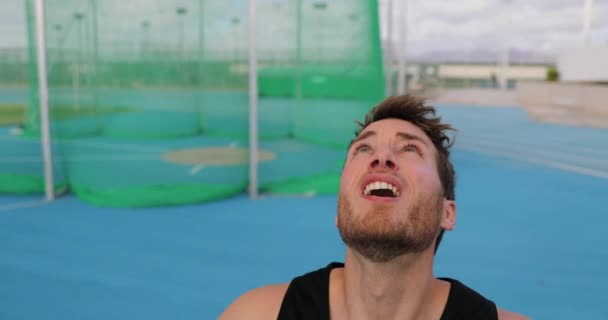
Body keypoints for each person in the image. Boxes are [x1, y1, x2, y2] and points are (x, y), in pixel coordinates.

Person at [219, 95, 528, 320]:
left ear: (447, 213)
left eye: (409, 148)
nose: (381, 157)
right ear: (339, 213)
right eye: (364, 148)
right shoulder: (255, 314)